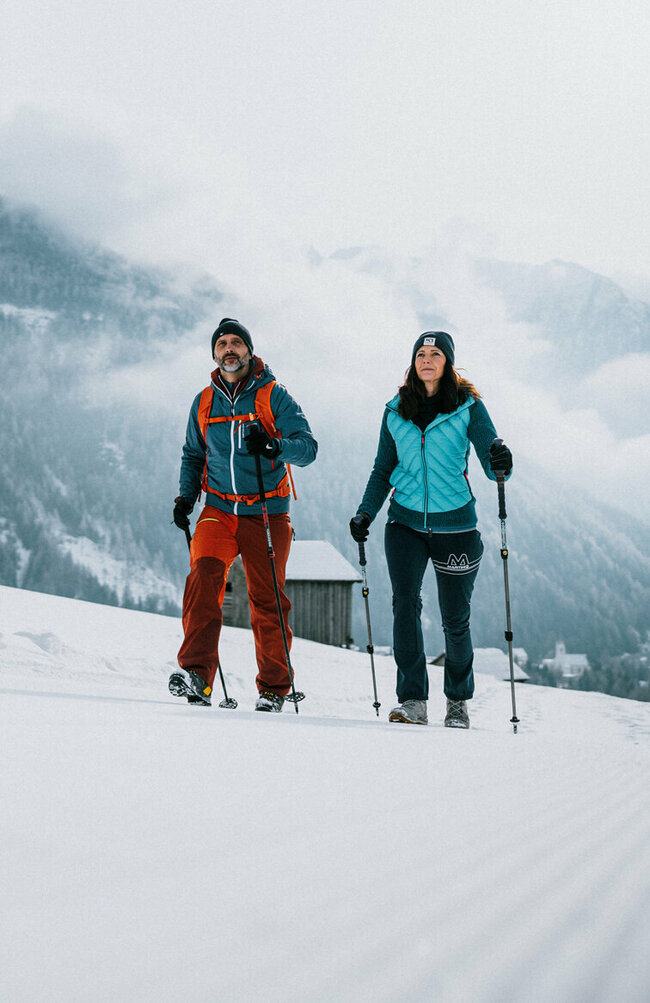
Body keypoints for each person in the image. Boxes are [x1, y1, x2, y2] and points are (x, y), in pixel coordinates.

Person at [349, 331, 512, 728]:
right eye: (421, 353)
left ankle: (457, 701)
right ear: (412, 362)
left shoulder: (468, 407)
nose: (427, 359)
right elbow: (383, 468)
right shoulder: (394, 411)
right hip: (403, 523)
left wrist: (502, 461)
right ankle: (413, 700)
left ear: (447, 363)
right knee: (405, 606)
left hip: (456, 525)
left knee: (455, 619)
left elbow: (494, 466)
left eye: (435, 354)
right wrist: (366, 513)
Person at [169, 318, 317, 712]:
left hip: (266, 511)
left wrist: (273, 446)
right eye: (222, 344)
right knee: (203, 581)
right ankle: (197, 676)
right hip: (218, 508)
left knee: (266, 598)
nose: (229, 349)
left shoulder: (273, 396)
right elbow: (193, 454)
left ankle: (274, 688)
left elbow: (307, 447)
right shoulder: (203, 401)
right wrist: (186, 498)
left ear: (249, 351)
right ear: (214, 353)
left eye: (236, 343)